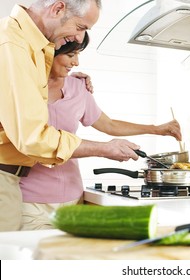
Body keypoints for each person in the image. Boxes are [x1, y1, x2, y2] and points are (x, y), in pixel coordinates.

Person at [0, 1, 155, 231]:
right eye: (80, 27)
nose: (79, 38)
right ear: (58, 8)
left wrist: (67, 79)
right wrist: (104, 149)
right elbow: (33, 137)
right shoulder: (12, 44)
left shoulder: (30, 46)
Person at [19, 33, 182, 230]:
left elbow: (109, 125)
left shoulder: (79, 87)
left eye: (78, 55)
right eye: (71, 55)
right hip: (31, 202)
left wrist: (158, 129)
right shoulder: (22, 87)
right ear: (50, 52)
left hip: (73, 199)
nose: (76, 62)